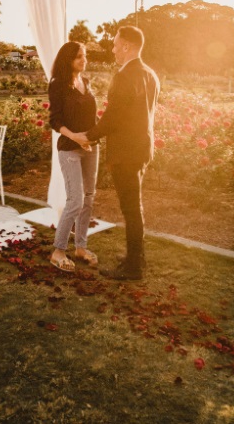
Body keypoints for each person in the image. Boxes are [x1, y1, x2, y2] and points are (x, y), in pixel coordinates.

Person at [87, 25, 160, 281]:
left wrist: (88, 136)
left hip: (126, 152)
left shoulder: (125, 75)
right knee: (134, 206)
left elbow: (114, 116)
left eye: (116, 44)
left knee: (130, 208)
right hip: (141, 149)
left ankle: (133, 268)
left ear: (127, 46)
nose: (113, 48)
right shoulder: (151, 74)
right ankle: (136, 258)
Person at [47, 41, 100, 273]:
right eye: (79, 56)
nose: (83, 59)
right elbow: (55, 120)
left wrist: (92, 137)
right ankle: (58, 251)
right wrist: (77, 137)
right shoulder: (58, 84)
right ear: (68, 59)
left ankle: (80, 247)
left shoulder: (85, 83)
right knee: (75, 200)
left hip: (91, 147)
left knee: (89, 197)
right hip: (69, 147)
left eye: (85, 55)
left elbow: (92, 117)